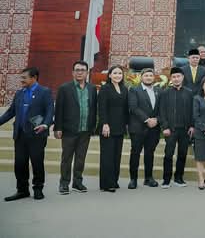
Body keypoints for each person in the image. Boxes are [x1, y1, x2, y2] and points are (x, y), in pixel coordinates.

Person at [0, 67, 53, 201]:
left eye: (24, 78)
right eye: (21, 77)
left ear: (34, 78)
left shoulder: (44, 92)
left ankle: (38, 189)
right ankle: (22, 190)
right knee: (19, 164)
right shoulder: (19, 93)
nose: (21, 80)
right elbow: (10, 112)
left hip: (37, 134)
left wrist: (45, 125)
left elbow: (50, 111)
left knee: (37, 163)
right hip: (20, 135)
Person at [53, 60, 97, 195]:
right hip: (69, 130)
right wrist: (57, 127)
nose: (79, 72)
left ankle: (77, 183)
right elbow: (59, 109)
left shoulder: (92, 89)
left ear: (87, 73)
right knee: (66, 158)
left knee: (80, 158)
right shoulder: (64, 88)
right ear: (73, 72)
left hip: (85, 130)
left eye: (82, 70)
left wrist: (93, 127)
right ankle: (64, 183)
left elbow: (93, 109)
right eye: (77, 70)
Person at [158, 67, 194, 188]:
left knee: (182, 154)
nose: (176, 79)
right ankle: (166, 179)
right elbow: (161, 111)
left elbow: (192, 111)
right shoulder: (165, 93)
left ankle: (178, 178)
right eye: (174, 77)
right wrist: (165, 127)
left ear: (182, 77)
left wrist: (192, 126)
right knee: (168, 154)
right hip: (171, 129)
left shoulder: (189, 93)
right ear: (171, 78)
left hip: (185, 129)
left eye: (178, 76)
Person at [127, 68, 160, 189]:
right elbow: (133, 107)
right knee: (135, 153)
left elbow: (162, 108)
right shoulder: (134, 90)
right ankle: (133, 179)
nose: (149, 77)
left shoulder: (158, 90)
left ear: (154, 77)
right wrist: (147, 120)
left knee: (149, 153)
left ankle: (148, 178)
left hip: (154, 128)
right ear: (141, 77)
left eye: (151, 75)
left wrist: (157, 120)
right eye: (146, 75)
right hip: (138, 127)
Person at [98, 65, 129, 192]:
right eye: (115, 73)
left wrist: (127, 124)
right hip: (108, 126)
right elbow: (102, 107)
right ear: (110, 75)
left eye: (120, 73)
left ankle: (114, 181)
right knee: (107, 156)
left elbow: (126, 109)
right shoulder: (105, 88)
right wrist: (105, 124)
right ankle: (106, 184)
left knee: (117, 155)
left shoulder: (124, 89)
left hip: (120, 126)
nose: (117, 75)